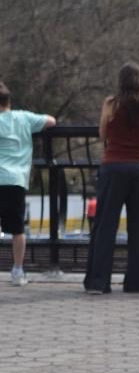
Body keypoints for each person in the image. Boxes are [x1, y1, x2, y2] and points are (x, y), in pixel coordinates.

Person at [83, 62, 139, 294]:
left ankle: (98, 281)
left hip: (114, 167)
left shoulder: (111, 104)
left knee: (105, 225)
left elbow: (102, 134)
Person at [0, 81, 56, 286]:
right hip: (16, 180)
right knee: (17, 229)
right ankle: (18, 270)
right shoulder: (23, 118)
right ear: (8, 101)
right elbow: (51, 121)